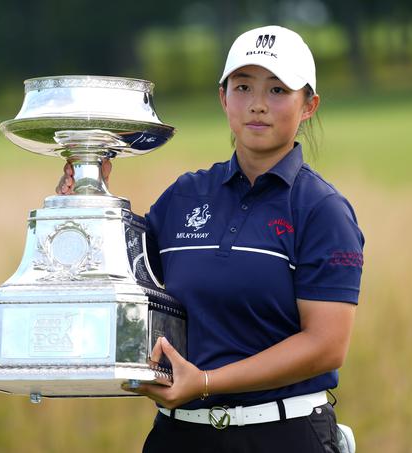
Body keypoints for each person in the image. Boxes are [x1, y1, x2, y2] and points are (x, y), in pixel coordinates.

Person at [58, 25, 364, 453]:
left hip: (283, 436)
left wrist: (205, 383)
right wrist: (87, 207)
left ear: (308, 105)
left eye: (278, 90)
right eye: (243, 87)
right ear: (223, 97)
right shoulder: (185, 195)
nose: (257, 104)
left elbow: (326, 346)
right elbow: (118, 276)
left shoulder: (321, 209)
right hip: (180, 436)